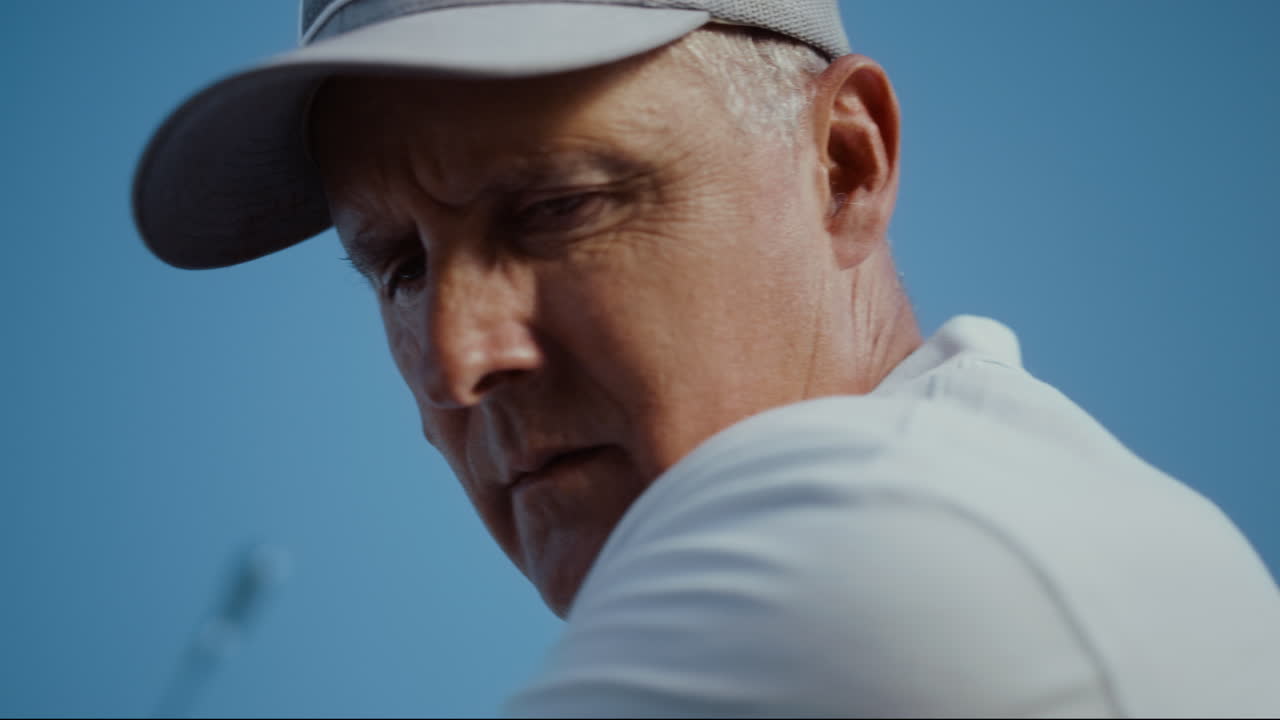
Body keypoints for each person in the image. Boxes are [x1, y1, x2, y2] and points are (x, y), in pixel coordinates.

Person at [133, 0, 1280, 716]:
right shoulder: (1004, 495)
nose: (452, 361)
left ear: (842, 166)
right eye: (395, 264)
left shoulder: (870, 542)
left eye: (556, 208)